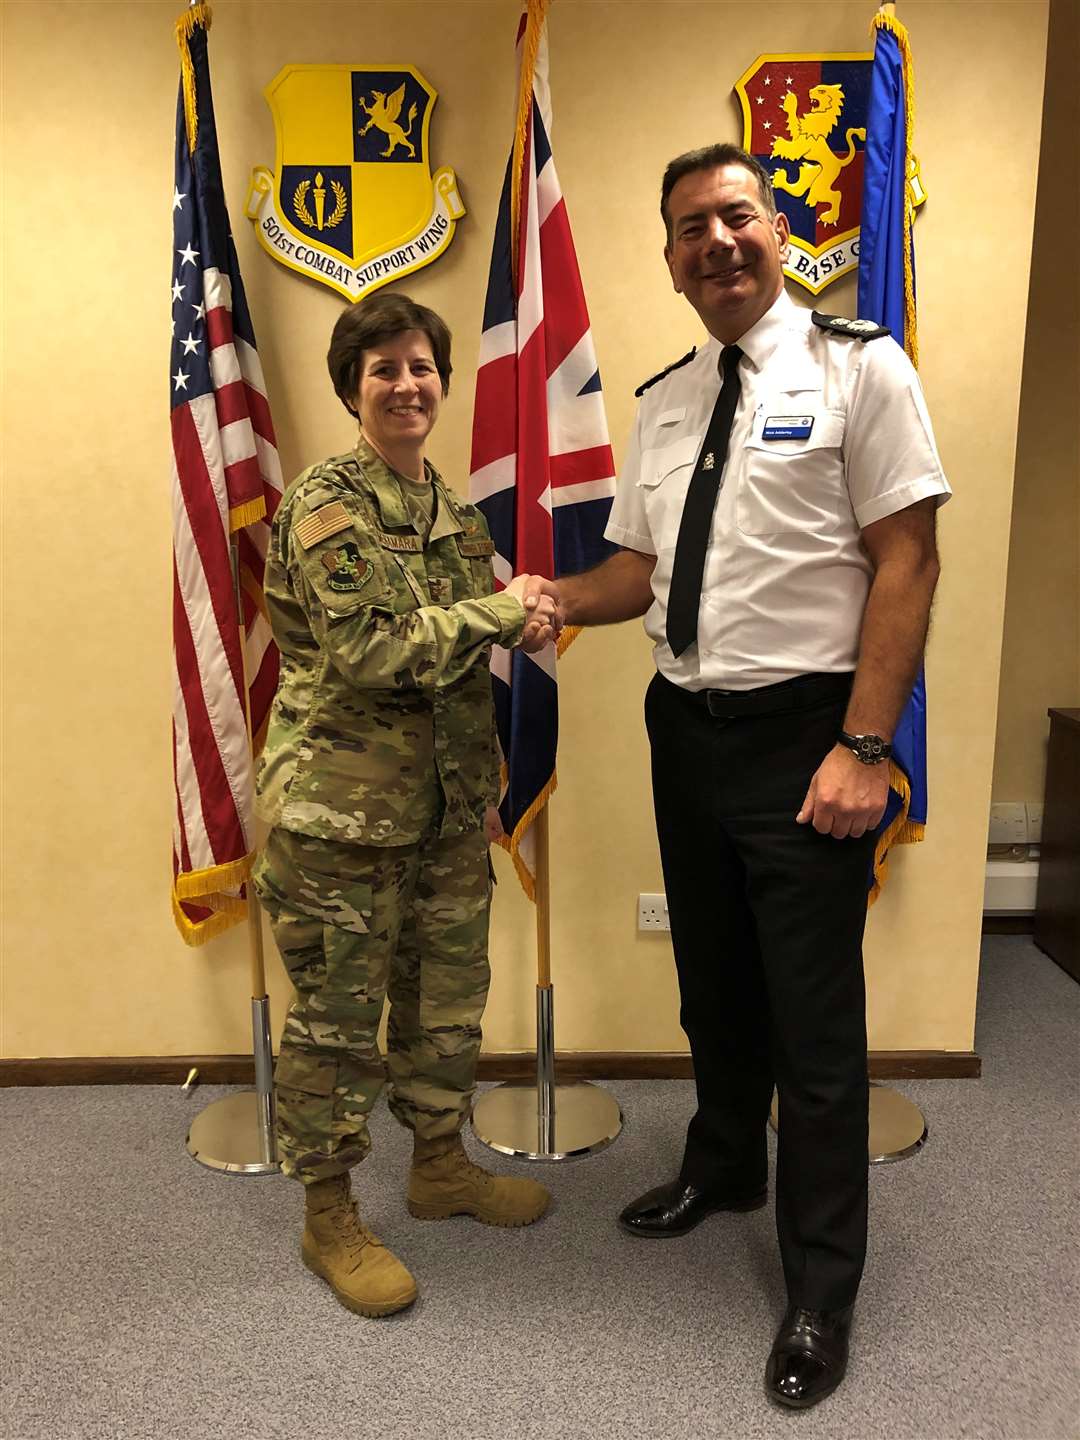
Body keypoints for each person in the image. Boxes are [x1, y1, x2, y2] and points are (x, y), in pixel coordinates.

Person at [524, 143, 950, 1408]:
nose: (714, 242)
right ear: (667, 259)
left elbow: (908, 560)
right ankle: (725, 1163)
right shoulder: (665, 399)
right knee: (713, 979)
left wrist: (864, 746)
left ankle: (822, 1288)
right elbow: (639, 577)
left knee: (814, 1023)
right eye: (688, 228)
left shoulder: (860, 368)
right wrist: (554, 597)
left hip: (810, 735)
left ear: (779, 231)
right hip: (686, 728)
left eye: (735, 216)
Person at [254, 290, 558, 1319]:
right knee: (337, 1025)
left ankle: (439, 1165)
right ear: (353, 388)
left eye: (420, 365)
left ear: (442, 380)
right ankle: (330, 1213)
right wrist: (502, 611)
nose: (405, 383)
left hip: (437, 819)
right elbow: (371, 649)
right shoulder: (325, 505)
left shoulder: (456, 518)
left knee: (443, 1007)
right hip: (339, 823)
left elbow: (463, 672)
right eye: (382, 368)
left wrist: (478, 794)